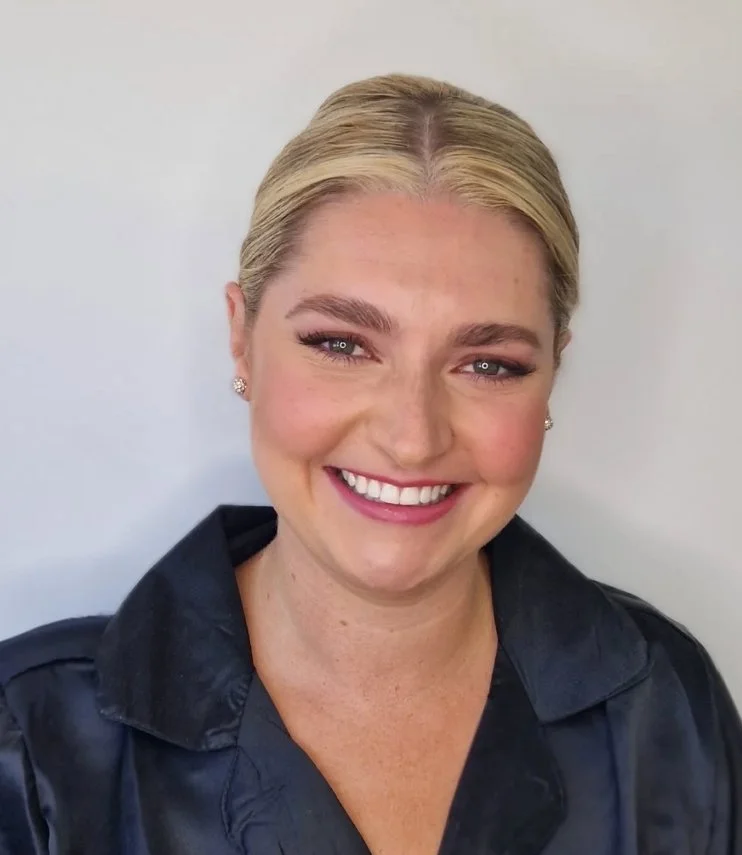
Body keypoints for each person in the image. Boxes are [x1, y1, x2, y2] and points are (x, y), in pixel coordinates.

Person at [0, 73, 740, 855]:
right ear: (241, 339)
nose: (413, 437)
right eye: (342, 344)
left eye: (488, 363)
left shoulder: (666, 712)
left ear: (552, 369)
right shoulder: (30, 746)